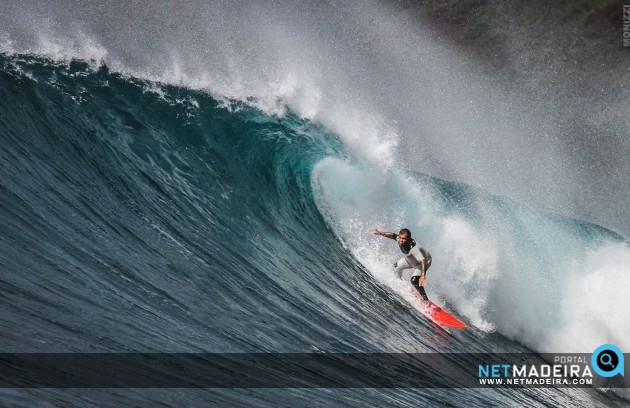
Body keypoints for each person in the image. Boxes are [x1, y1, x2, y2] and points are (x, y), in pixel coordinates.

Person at [369, 227, 432, 305]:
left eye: (404, 239)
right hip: (409, 259)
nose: (401, 240)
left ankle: (426, 299)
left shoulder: (413, 248)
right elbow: (392, 235)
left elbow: (423, 260)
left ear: (409, 239)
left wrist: (423, 276)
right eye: (400, 238)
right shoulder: (399, 239)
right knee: (395, 268)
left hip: (423, 262)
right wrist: (379, 233)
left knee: (414, 280)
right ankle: (400, 283)